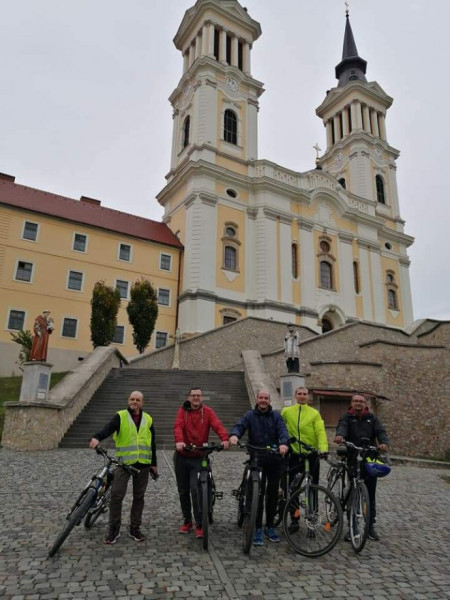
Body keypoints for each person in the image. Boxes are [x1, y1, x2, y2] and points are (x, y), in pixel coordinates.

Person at [89, 390, 157, 544]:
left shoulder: (148, 419)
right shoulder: (120, 416)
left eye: (137, 400)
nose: (134, 402)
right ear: (128, 400)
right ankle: (114, 529)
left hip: (143, 464)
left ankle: (135, 528)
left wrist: (154, 464)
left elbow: (152, 442)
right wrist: (97, 437)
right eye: (132, 399)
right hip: (124, 464)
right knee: (116, 495)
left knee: (139, 497)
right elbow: (108, 428)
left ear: (142, 403)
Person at [229, 389, 289, 545]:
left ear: (269, 400)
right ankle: (257, 528)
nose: (263, 400)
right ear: (257, 399)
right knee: (258, 494)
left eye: (266, 398)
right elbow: (240, 426)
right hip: (257, 458)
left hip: (274, 459)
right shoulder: (250, 415)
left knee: (273, 494)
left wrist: (283, 443)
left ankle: (269, 526)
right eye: (261, 398)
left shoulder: (276, 416)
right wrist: (234, 435)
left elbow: (283, 431)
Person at [173, 387, 229, 539]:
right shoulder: (182, 411)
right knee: (183, 490)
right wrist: (179, 441)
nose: (196, 398)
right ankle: (187, 520)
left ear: (202, 398)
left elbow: (217, 424)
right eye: (193, 395)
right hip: (182, 455)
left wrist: (224, 439)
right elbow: (178, 426)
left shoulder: (208, 412)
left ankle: (199, 524)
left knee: (196, 489)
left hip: (198, 456)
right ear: (189, 398)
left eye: (198, 395)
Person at [334, 393, 389, 541]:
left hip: (369, 459)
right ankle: (353, 527)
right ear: (351, 403)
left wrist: (383, 442)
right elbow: (342, 427)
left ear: (365, 404)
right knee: (354, 493)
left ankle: (369, 527)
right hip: (353, 458)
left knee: (370, 494)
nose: (358, 403)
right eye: (356, 401)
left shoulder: (372, 419)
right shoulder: (347, 417)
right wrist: (340, 436)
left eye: (361, 401)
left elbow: (381, 432)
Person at [281, 387, 328, 532]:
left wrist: (323, 448)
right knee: (293, 488)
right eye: (299, 394)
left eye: (304, 394)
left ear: (308, 397)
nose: (302, 396)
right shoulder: (287, 411)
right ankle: (294, 519)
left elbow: (320, 431)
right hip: (295, 454)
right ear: (295, 396)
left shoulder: (314, 413)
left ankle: (312, 520)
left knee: (313, 488)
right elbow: (280, 428)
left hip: (311, 455)